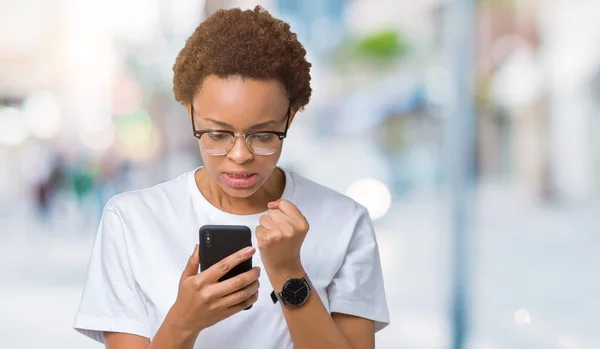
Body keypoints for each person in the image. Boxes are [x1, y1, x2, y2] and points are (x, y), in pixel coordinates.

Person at [73, 5, 389, 349]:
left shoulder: (345, 222)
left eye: (264, 135)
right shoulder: (131, 221)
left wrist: (288, 274)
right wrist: (184, 320)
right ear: (190, 114)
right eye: (218, 134)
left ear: (289, 118)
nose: (240, 156)